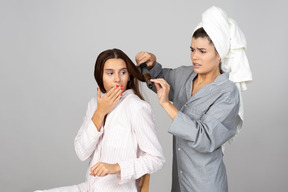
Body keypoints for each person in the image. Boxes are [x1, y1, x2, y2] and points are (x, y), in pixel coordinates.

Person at [135, 6, 252, 192]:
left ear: (219, 53)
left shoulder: (227, 93)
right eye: (192, 50)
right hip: (180, 181)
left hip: (205, 184)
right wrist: (151, 63)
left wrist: (166, 104)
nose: (194, 57)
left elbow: (205, 138)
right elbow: (157, 80)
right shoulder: (184, 75)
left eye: (202, 51)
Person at [35, 48, 165, 192]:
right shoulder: (94, 105)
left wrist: (116, 167)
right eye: (110, 73)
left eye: (123, 72)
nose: (117, 79)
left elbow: (156, 159)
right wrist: (100, 112)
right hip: (89, 188)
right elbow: (81, 152)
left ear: (129, 76)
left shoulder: (137, 107)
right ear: (100, 76)